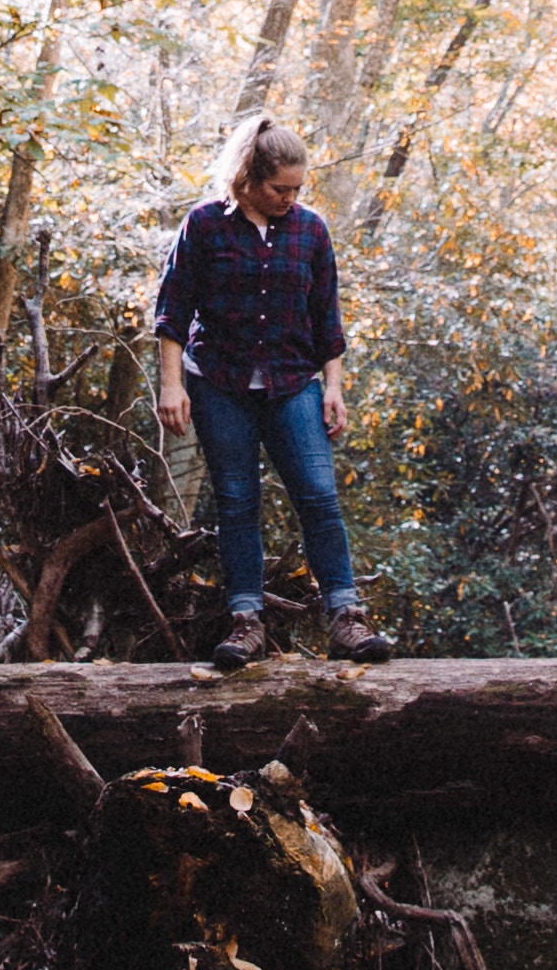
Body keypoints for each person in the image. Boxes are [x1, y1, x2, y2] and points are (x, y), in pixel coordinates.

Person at [149, 117, 392, 671]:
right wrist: (170, 385)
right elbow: (172, 311)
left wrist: (333, 387)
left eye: (297, 189)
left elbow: (325, 316)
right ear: (246, 180)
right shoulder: (205, 226)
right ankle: (245, 621)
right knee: (236, 502)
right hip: (219, 384)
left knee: (318, 495)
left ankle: (346, 617)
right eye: (281, 188)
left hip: (293, 383)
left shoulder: (311, 231)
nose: (291, 198)